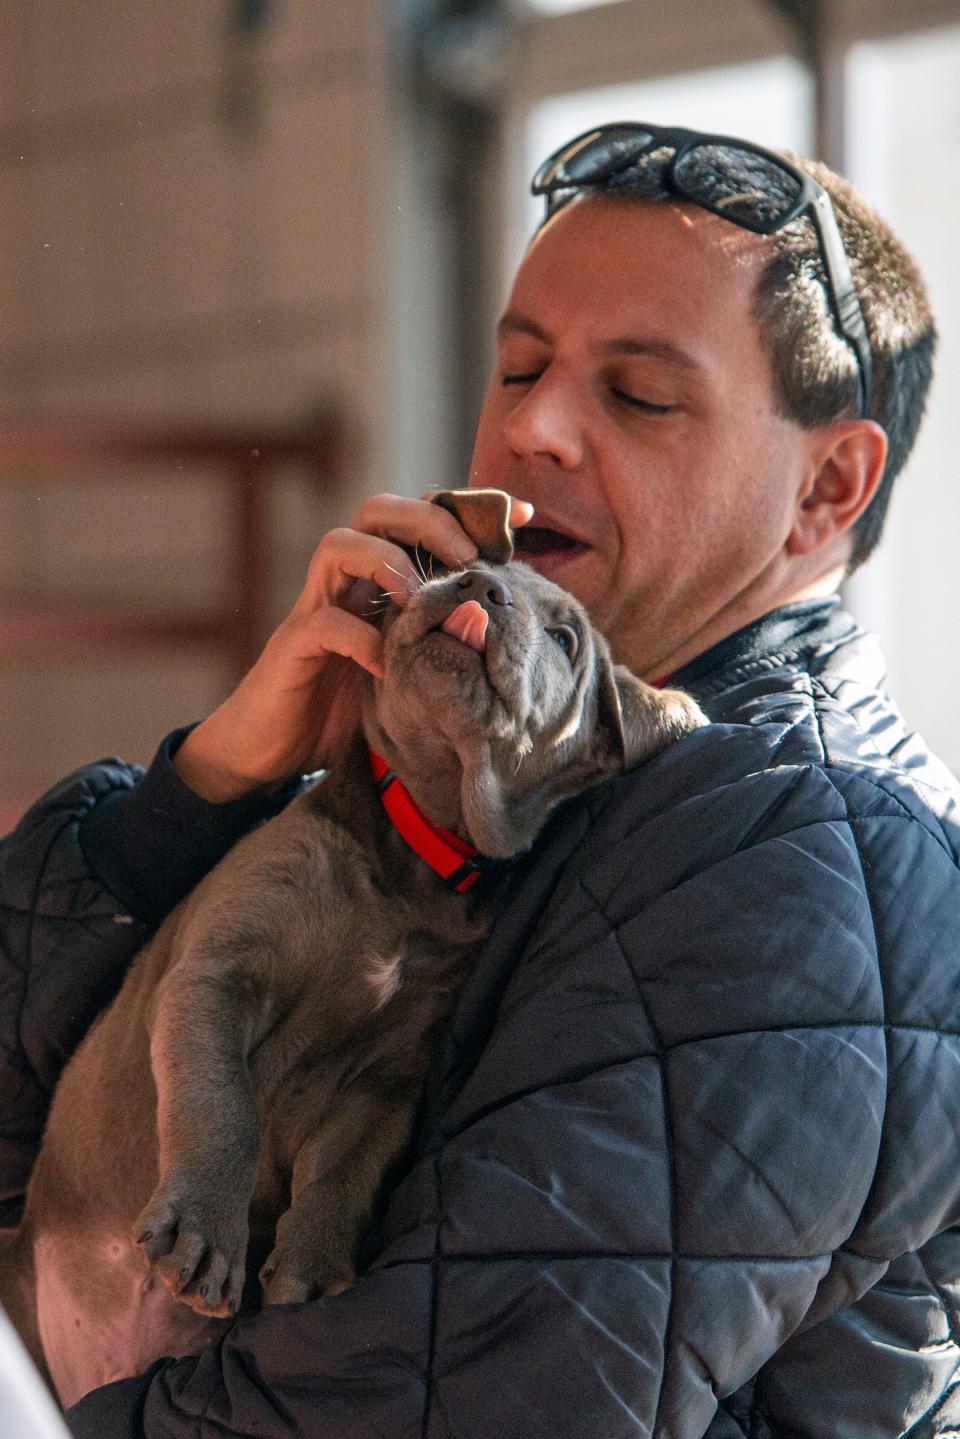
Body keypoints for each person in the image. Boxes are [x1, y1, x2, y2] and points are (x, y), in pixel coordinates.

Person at [2, 122, 958, 1438]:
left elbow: (445, 1401)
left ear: (826, 488)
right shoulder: (478, 777)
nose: (533, 429)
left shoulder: (812, 856)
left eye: (638, 395)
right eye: (517, 368)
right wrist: (209, 790)